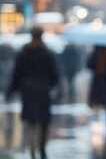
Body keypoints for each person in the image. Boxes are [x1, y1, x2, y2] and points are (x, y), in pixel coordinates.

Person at [6, 26, 60, 159]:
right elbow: (54, 74)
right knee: (43, 121)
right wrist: (52, 85)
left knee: (31, 123)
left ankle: (32, 150)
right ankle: (41, 147)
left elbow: (16, 75)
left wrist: (11, 90)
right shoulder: (47, 54)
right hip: (43, 92)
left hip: (28, 92)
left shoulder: (23, 53)